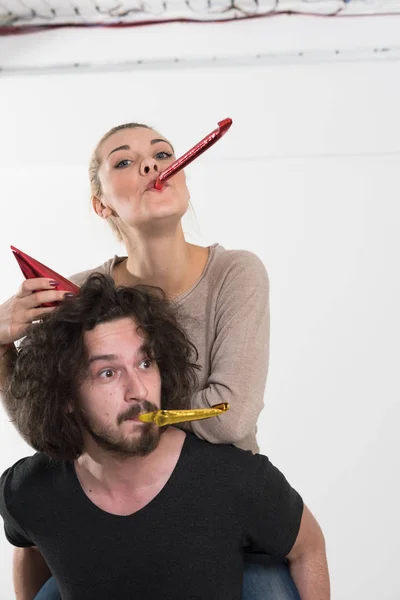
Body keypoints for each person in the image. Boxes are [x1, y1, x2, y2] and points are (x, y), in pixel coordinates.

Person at [0, 121, 287, 598]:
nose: (152, 164)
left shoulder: (237, 273)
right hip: (110, 516)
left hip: (219, 517)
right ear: (101, 203)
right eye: (125, 162)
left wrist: (112, 413)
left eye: (162, 153)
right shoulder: (82, 296)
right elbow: (46, 421)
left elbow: (231, 416)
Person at [0, 274, 329, 600]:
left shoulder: (236, 480)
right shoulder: (26, 489)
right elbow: (28, 545)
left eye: (145, 363)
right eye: (108, 373)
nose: (138, 390)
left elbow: (307, 546)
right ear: (65, 395)